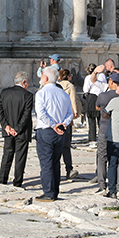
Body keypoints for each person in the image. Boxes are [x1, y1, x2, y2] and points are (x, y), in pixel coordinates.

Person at [34, 66, 73, 202]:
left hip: (46, 131)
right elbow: (70, 114)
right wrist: (62, 124)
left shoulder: (41, 93)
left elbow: (41, 113)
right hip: (60, 131)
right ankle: (54, 190)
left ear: (45, 78)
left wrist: (53, 125)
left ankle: (49, 192)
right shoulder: (64, 94)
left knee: (46, 163)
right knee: (56, 162)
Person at [0, 72, 34, 187]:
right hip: (22, 131)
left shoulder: (4, 92)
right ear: (23, 82)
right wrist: (17, 129)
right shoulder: (28, 95)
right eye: (27, 82)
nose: (28, 84)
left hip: (8, 130)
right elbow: (26, 115)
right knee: (20, 157)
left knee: (7, 154)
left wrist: (6, 126)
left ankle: (2, 179)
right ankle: (17, 181)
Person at [95, 71, 119, 194]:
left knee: (102, 157)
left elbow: (97, 107)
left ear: (111, 82)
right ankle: (118, 185)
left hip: (104, 129)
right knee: (118, 158)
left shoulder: (102, 96)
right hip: (118, 130)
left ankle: (102, 184)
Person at [59, 69, 81, 180]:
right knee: (66, 145)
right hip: (67, 117)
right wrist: (74, 113)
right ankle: (69, 168)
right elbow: (72, 100)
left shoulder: (56, 85)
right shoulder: (70, 86)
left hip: (58, 117)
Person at [82, 63, 104, 146]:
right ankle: (102, 139)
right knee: (100, 120)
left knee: (91, 120)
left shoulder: (88, 78)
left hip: (91, 98)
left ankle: (92, 140)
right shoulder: (102, 76)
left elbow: (85, 90)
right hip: (100, 97)